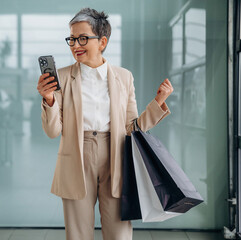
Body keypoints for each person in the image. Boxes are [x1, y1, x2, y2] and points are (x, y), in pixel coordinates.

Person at [36, 8, 173, 240]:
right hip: (76, 157)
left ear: (102, 41)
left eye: (82, 38)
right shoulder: (61, 78)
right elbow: (53, 132)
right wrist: (49, 100)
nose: (75, 45)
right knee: (78, 234)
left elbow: (131, 128)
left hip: (116, 156)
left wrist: (157, 103)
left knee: (119, 234)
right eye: (71, 39)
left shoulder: (124, 77)